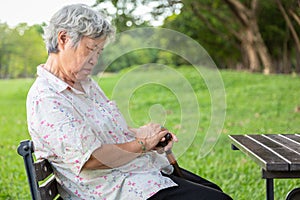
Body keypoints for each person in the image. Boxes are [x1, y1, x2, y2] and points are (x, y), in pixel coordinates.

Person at [26, 4, 232, 200]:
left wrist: (143, 133)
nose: (94, 59)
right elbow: (92, 158)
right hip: (112, 190)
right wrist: (143, 145)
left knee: (214, 192)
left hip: (136, 174)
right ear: (63, 39)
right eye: (90, 49)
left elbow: (103, 132)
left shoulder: (85, 84)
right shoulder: (47, 98)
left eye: (99, 52)